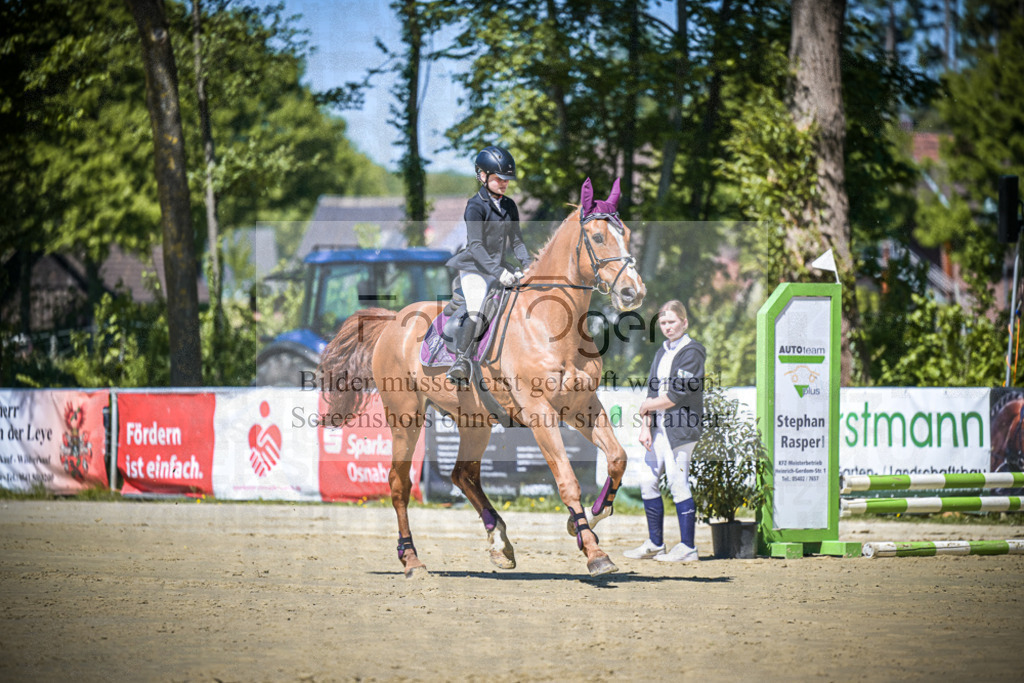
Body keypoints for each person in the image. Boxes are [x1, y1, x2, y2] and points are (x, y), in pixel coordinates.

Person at [625, 300, 707, 562]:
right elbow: (652, 391)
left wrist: (647, 406)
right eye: (663, 323)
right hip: (658, 429)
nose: (667, 327)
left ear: (685, 322)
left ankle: (688, 547)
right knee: (647, 479)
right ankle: (655, 543)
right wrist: (645, 427)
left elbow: (676, 395)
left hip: (681, 429)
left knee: (677, 482)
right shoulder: (662, 351)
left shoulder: (693, 351)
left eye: (672, 322)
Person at [445, 145, 533, 384]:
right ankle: (461, 361)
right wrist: (498, 272)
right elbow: (476, 246)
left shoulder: (509, 205)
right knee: (476, 307)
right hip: (475, 269)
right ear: (482, 176)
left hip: (500, 268)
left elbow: (517, 241)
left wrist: (528, 265)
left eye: (506, 179)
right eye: (498, 178)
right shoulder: (475, 206)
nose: (504, 183)